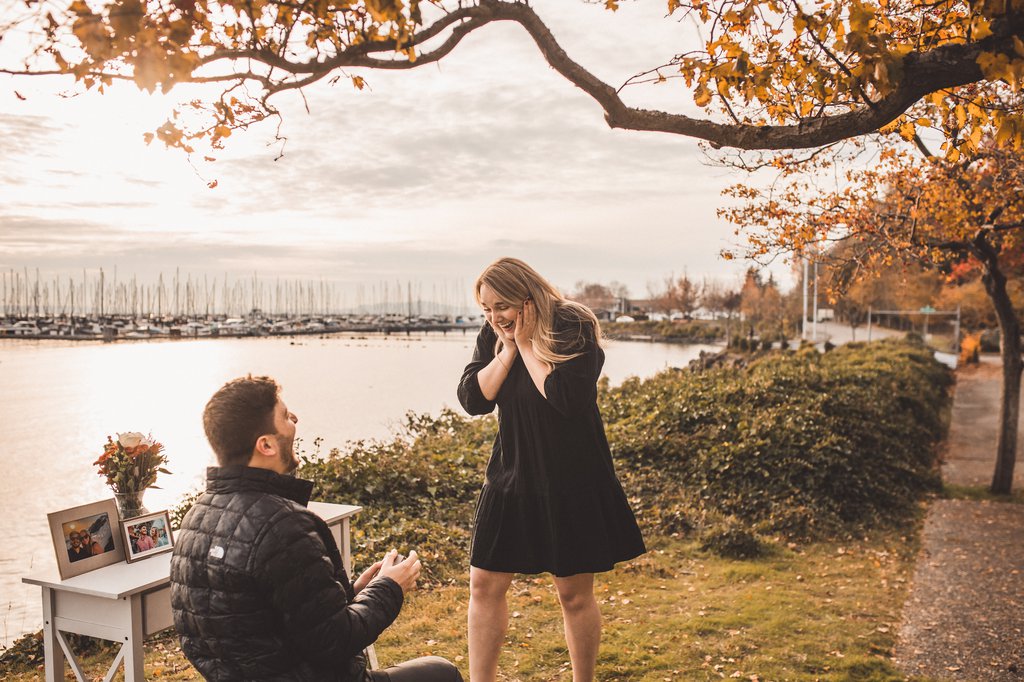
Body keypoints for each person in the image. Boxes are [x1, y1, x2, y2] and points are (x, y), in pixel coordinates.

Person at [170, 375, 462, 682]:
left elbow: (263, 624)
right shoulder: (283, 525)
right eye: (284, 416)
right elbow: (335, 642)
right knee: (442, 673)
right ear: (266, 444)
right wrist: (389, 588)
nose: (294, 418)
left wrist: (353, 593)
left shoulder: (195, 519)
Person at [457, 257, 646, 682]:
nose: (494, 317)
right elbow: (473, 398)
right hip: (510, 477)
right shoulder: (494, 335)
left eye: (500, 306)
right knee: (484, 585)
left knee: (573, 595)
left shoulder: (571, 324)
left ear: (527, 296)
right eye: (485, 309)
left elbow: (565, 399)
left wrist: (525, 344)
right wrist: (506, 349)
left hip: (572, 480)